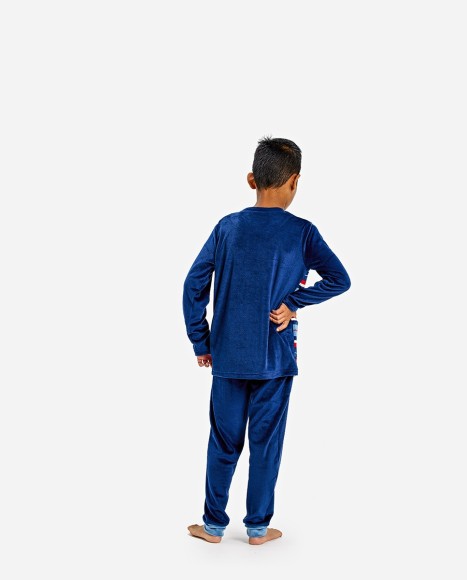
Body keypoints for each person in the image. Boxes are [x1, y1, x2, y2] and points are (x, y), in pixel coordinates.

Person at [182, 136, 351, 545]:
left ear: (251, 179)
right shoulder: (303, 232)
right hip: (275, 359)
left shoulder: (227, 227)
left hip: (226, 356)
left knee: (223, 442)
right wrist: (293, 302)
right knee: (266, 444)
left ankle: (213, 526)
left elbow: (193, 284)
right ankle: (257, 528)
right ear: (295, 182)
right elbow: (339, 279)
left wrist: (201, 341)